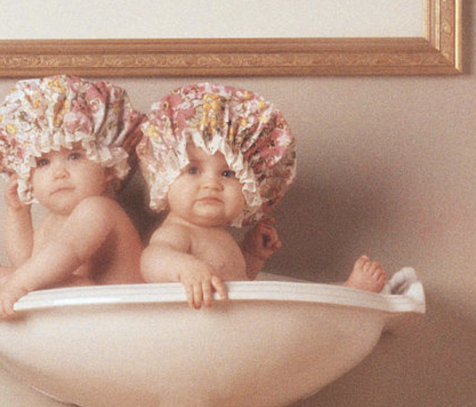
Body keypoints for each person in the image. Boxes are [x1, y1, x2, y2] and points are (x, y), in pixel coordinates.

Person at [137, 83, 387, 307]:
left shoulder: (216, 235)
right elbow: (153, 258)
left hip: (235, 323)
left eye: (227, 174)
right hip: (207, 327)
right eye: (193, 170)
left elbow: (240, 285)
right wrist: (186, 269)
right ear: (164, 176)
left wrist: (251, 256)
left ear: (250, 185)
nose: (211, 183)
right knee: (290, 308)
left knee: (281, 303)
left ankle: (342, 297)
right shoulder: (178, 232)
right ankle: (345, 296)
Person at [0, 75, 144, 319]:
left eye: (74, 156)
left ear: (107, 166)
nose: (59, 173)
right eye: (43, 162)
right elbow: (26, 263)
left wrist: (15, 287)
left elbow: (68, 252)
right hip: (85, 319)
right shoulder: (52, 222)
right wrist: (19, 214)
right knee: (23, 288)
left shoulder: (100, 210)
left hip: (121, 318)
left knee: (64, 285)